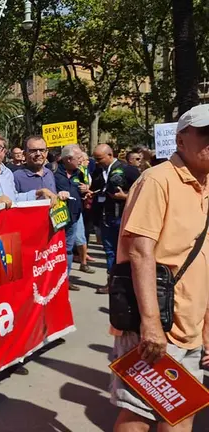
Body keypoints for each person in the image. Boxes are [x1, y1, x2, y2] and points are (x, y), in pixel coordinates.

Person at [109, 104, 209, 432]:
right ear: (181, 141)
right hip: (154, 326)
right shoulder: (157, 180)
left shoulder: (206, 185)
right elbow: (140, 253)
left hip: (190, 326)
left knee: (181, 413)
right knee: (137, 415)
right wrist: (151, 325)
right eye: (205, 133)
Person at [91, 143, 140, 294]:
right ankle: (112, 283)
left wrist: (125, 196)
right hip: (106, 217)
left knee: (127, 253)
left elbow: (143, 191)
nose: (97, 162)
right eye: (95, 159)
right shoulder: (98, 170)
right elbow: (98, 188)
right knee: (110, 252)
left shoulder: (128, 170)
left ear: (110, 155)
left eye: (99, 158)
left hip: (122, 217)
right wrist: (90, 191)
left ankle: (132, 284)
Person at [0, 132, 58, 209]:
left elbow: (14, 199)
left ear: (4, 151)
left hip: (9, 229)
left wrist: (38, 193)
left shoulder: (7, 173)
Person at [54, 145, 95, 291]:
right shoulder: (53, 173)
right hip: (57, 220)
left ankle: (66, 279)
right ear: (68, 159)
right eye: (78, 158)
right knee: (56, 251)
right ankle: (55, 280)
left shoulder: (79, 173)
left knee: (69, 250)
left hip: (75, 217)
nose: (81, 161)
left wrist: (85, 190)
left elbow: (83, 188)